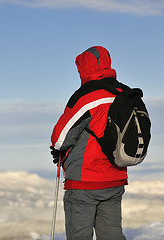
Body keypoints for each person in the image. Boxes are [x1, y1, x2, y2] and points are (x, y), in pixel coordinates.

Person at [50, 46, 128, 240]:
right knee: (112, 234)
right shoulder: (123, 93)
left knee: (80, 235)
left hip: (85, 181)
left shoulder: (87, 96)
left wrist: (58, 151)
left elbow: (60, 139)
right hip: (115, 178)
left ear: (85, 68)